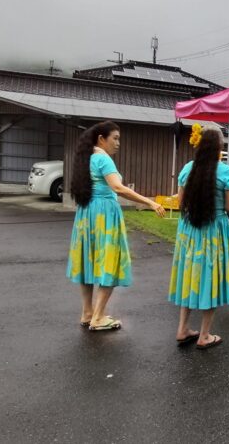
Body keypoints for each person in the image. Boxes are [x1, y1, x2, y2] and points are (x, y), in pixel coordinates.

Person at [67, 121, 165, 331]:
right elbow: (118, 187)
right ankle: (99, 316)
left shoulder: (88, 157)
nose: (118, 143)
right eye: (115, 138)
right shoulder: (103, 158)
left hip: (87, 214)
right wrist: (150, 201)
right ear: (102, 138)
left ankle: (87, 312)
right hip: (104, 215)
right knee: (110, 261)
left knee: (89, 261)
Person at [168, 127, 229, 350]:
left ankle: (182, 329)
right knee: (211, 277)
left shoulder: (187, 168)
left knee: (190, 276)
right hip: (214, 231)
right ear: (218, 147)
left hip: (189, 230)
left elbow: (180, 203)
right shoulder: (226, 172)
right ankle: (204, 335)